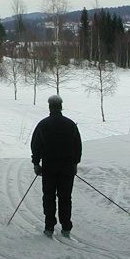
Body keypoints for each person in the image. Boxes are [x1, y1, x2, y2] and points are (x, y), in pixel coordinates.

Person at [30, 94, 82, 237]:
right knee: (65, 197)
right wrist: (75, 163)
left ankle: (49, 227)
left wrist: (36, 162)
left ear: (50, 107)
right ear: (61, 106)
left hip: (49, 167)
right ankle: (66, 226)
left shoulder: (43, 124)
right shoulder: (70, 124)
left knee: (49, 196)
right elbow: (78, 145)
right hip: (67, 167)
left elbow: (36, 145)